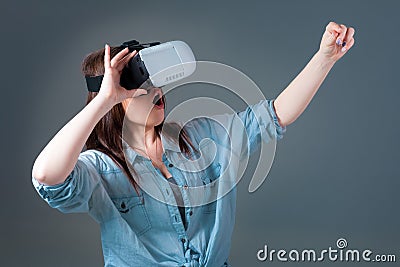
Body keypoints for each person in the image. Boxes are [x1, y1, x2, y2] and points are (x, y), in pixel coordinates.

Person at [31, 21, 355, 266]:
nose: (157, 93)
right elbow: (46, 176)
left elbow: (274, 115)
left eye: (157, 84)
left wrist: (325, 58)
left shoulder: (201, 138)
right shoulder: (101, 168)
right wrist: (103, 101)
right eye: (142, 88)